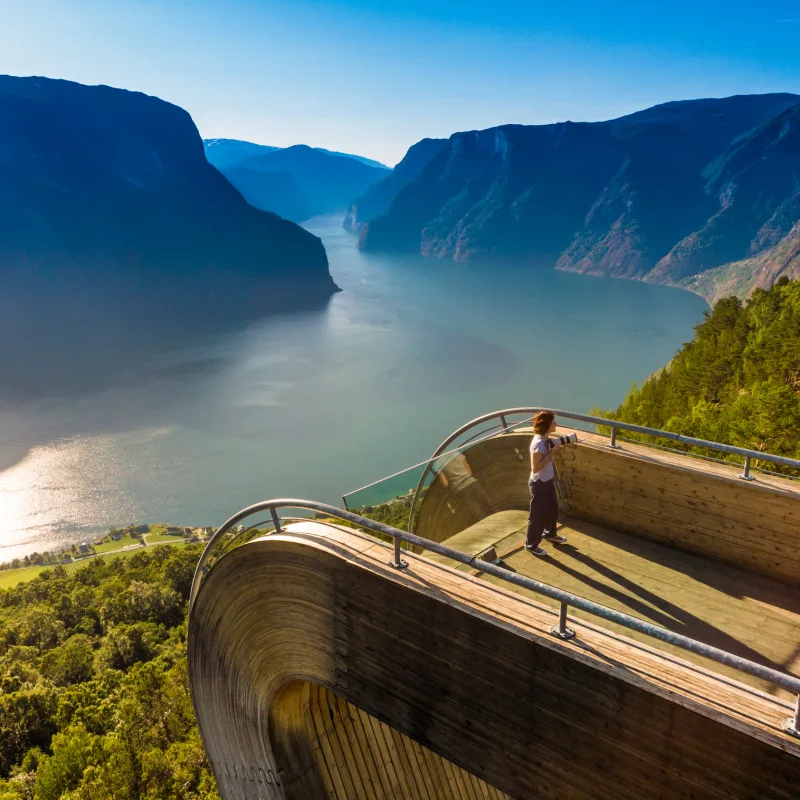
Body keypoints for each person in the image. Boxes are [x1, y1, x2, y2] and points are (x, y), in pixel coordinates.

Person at [525, 410, 567, 556]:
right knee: (538, 515)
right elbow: (535, 468)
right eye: (553, 421)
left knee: (552, 509)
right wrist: (552, 454)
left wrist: (553, 453)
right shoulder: (538, 443)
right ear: (547, 424)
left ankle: (550, 534)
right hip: (538, 483)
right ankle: (531, 545)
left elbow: (547, 460)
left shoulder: (545, 440)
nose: (555, 423)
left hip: (547, 480)